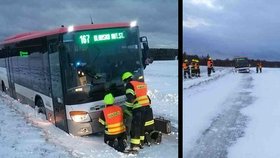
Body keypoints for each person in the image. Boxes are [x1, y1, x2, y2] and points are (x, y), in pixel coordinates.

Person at [121, 72, 152, 151]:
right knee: (141, 126)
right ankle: (141, 142)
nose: (125, 83)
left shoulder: (130, 85)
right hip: (147, 107)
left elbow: (130, 98)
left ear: (126, 80)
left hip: (138, 108)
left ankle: (135, 145)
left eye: (124, 81)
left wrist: (128, 109)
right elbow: (145, 96)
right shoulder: (140, 83)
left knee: (135, 127)